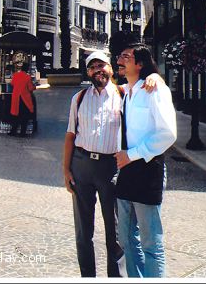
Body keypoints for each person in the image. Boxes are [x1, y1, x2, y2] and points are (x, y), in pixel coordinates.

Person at [63, 51, 163, 278]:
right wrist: (66, 170)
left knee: (115, 229)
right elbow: (70, 135)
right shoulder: (78, 99)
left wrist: (156, 78)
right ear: (88, 72)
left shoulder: (124, 94)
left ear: (110, 68)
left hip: (111, 168)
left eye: (102, 65)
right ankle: (87, 276)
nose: (98, 70)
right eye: (92, 67)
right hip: (82, 166)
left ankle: (115, 276)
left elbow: (149, 86)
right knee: (83, 230)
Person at [114, 43, 177, 278]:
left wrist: (131, 155)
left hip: (147, 169)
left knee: (151, 243)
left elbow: (167, 134)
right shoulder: (126, 93)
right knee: (127, 239)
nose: (120, 60)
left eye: (126, 56)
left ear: (140, 64)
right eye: (120, 55)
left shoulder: (155, 90)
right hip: (126, 171)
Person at [10, 53, 36, 137]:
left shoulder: (15, 75)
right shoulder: (27, 77)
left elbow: (12, 84)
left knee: (15, 116)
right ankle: (22, 132)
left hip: (16, 97)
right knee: (24, 117)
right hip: (24, 98)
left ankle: (13, 131)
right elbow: (30, 88)